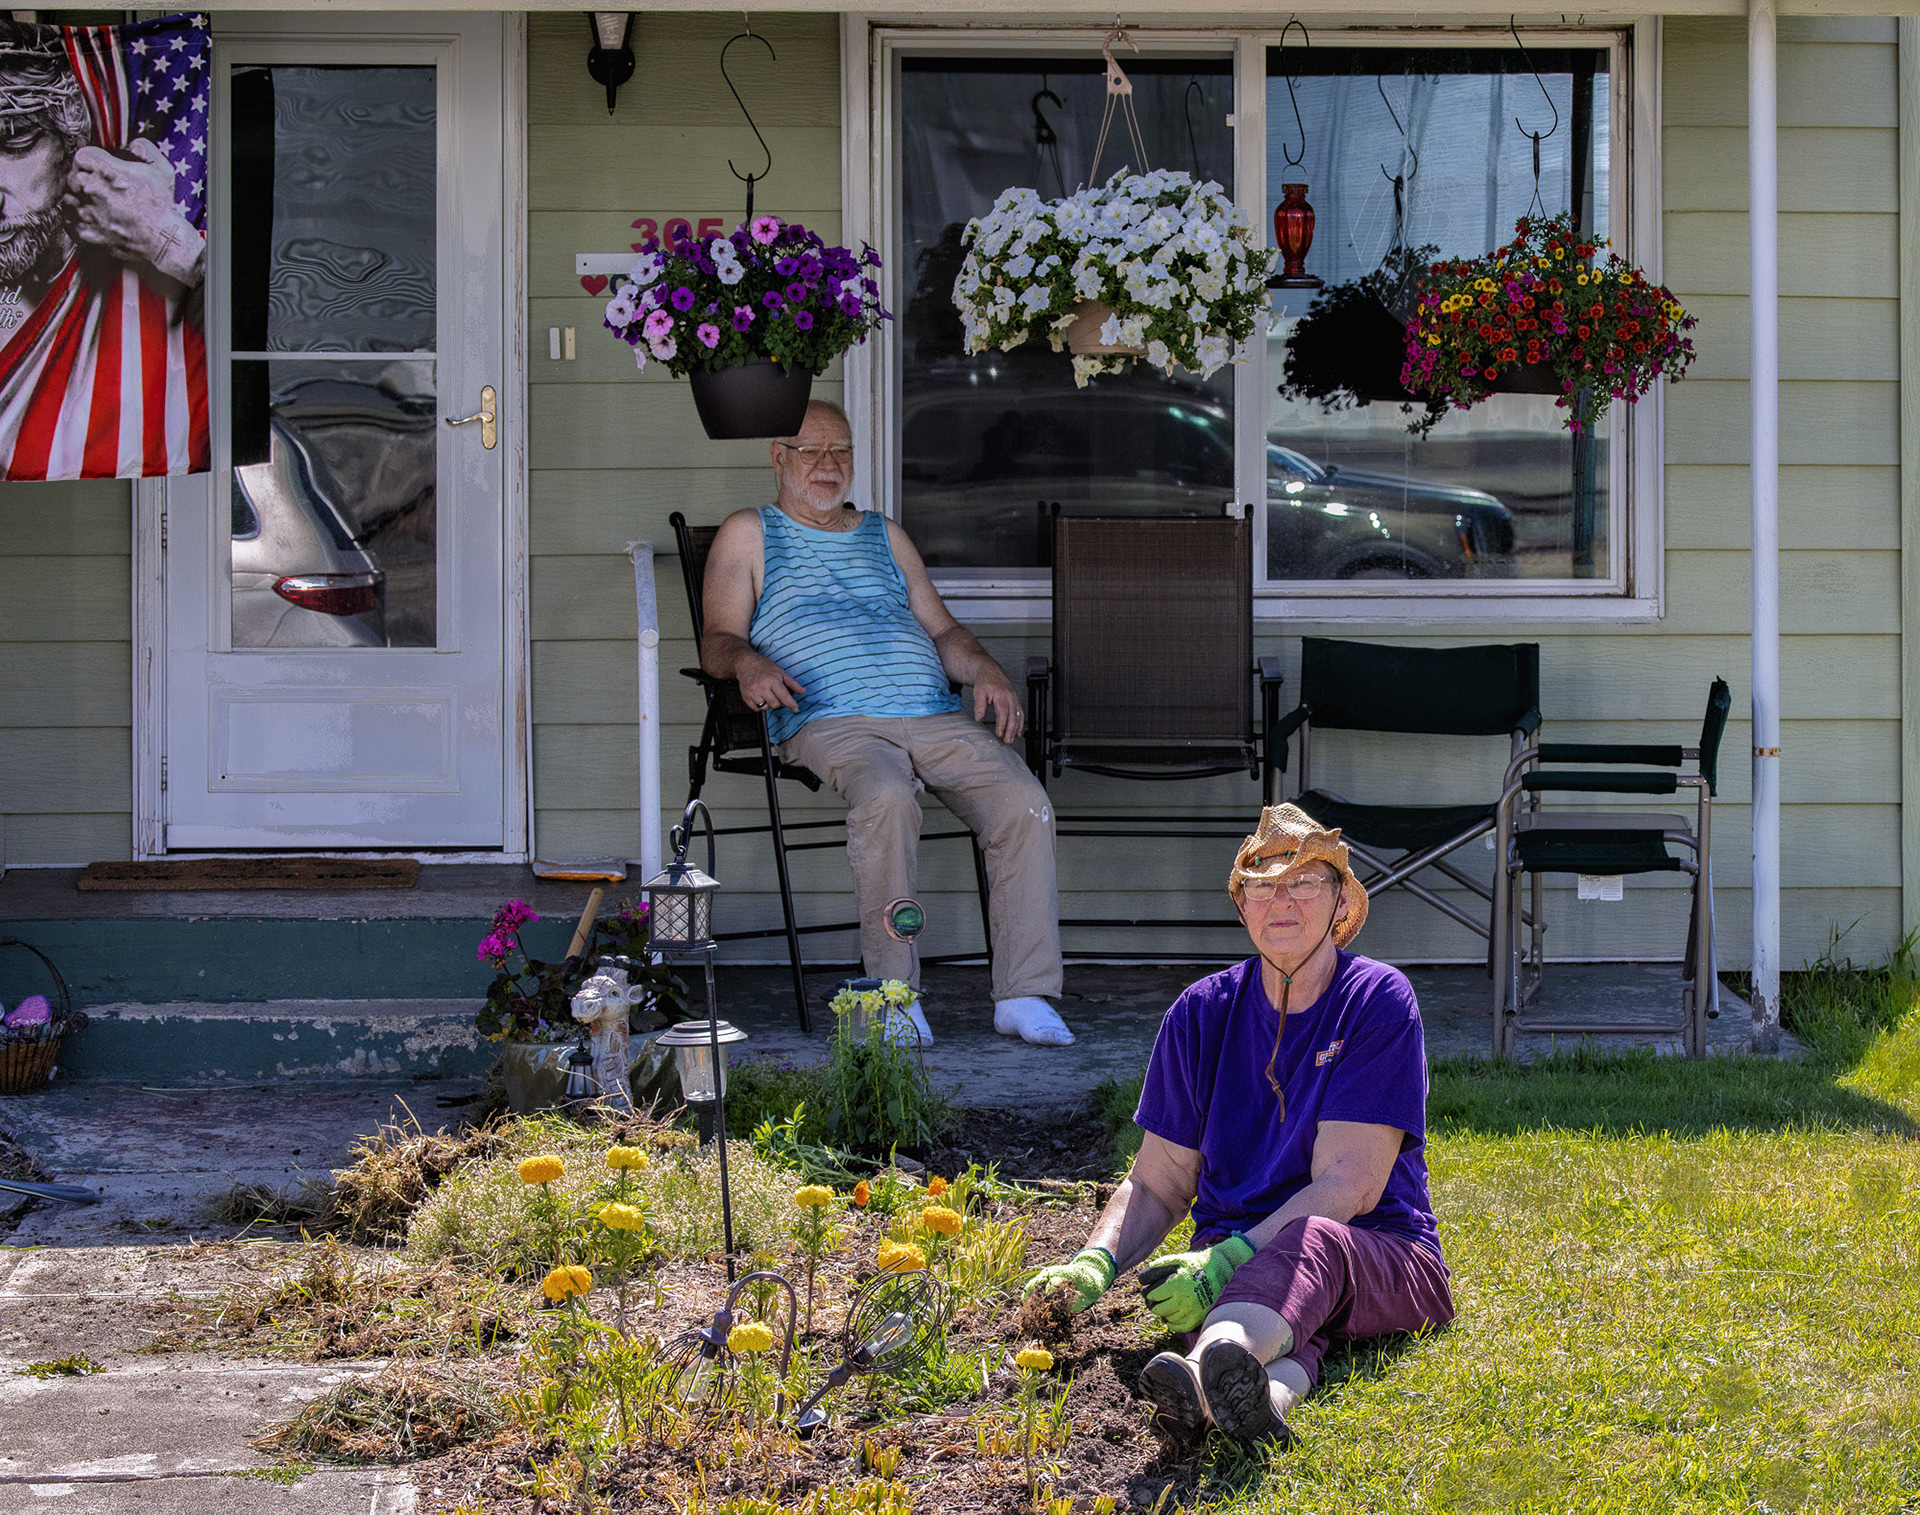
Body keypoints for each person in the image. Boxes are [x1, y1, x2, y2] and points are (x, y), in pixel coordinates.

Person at [1024, 803, 1452, 1444]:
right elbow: (1159, 1182)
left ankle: (1202, 1368)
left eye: (1303, 882)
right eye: (1263, 886)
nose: (1282, 900)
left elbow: (1350, 1187)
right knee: (1257, 1312)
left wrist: (1230, 1260)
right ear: (1242, 906)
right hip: (1235, 1273)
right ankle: (1260, 1397)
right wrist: (1094, 1262)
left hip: (1375, 1251)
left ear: (1340, 902)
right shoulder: (1198, 1014)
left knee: (1308, 1243)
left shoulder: (1375, 1000)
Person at [699, 399, 1072, 1047]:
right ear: (778, 457)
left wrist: (985, 668)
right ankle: (894, 996)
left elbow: (944, 631)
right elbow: (718, 640)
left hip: (932, 713)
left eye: (841, 450)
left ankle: (1022, 993)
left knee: (1023, 802)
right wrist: (747, 663)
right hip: (833, 720)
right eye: (811, 450)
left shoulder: (886, 535)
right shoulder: (749, 532)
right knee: (888, 800)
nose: (828, 463)